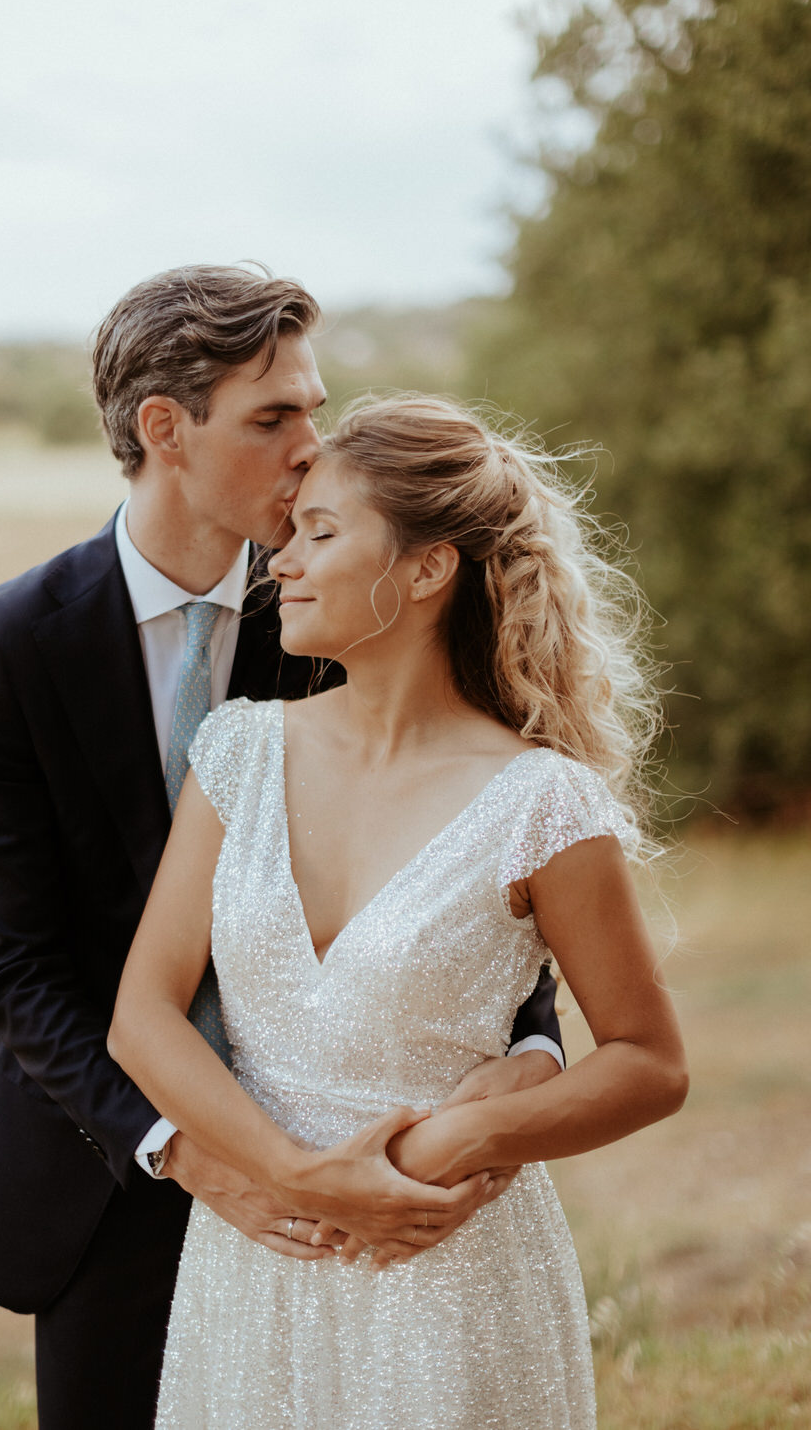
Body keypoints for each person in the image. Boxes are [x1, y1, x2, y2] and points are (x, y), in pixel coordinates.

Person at [0, 269, 565, 1429]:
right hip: (112, 1169)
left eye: (314, 411)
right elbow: (15, 968)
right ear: (163, 430)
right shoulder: (10, 645)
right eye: (274, 417)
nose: (310, 450)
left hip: (369, 1177)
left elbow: (481, 851)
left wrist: (531, 1047)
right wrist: (200, 1156)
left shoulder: (346, 608)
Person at [109, 394, 690, 1429]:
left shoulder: (540, 802)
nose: (279, 561)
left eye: (320, 533)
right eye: (290, 533)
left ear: (427, 571)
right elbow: (142, 1016)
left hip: (446, 1264)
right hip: (259, 1262)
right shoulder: (240, 751)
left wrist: (455, 1142)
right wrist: (295, 1173)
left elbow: (647, 1060)